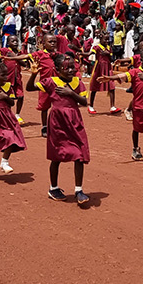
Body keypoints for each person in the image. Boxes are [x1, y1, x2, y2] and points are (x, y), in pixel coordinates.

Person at [33, 53, 91, 205]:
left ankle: (79, 190)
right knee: (56, 156)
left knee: (79, 154)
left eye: (73, 67)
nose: (72, 70)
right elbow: (30, 87)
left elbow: (85, 101)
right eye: (67, 68)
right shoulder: (51, 82)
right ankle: (53, 188)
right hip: (57, 122)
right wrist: (33, 74)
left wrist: (71, 93)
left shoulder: (78, 82)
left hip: (74, 121)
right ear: (58, 70)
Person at [96, 49, 143, 161]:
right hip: (139, 106)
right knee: (137, 128)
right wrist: (110, 78)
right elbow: (123, 75)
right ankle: (135, 148)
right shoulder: (135, 72)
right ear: (141, 60)